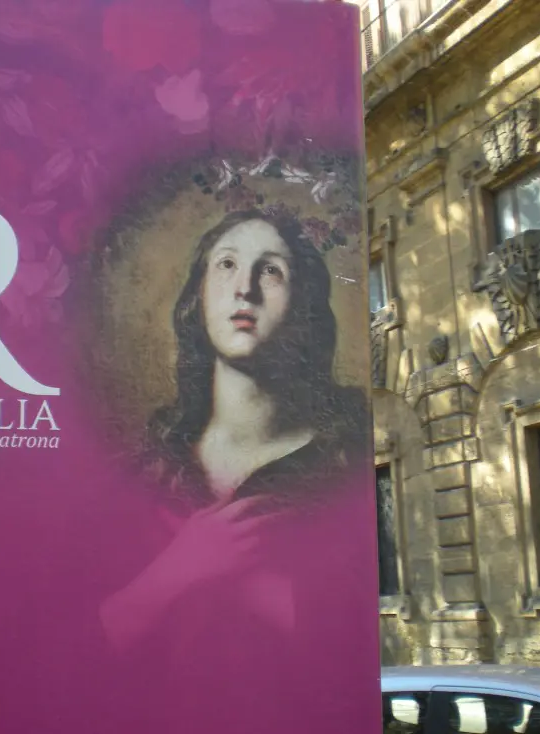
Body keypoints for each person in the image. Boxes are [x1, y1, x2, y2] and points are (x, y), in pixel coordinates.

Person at [88, 208, 373, 734]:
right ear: (197, 299)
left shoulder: (348, 460)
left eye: (271, 271)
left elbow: (348, 668)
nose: (245, 289)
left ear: (304, 307)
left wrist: (260, 589)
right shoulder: (143, 472)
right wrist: (174, 573)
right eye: (226, 265)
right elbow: (68, 659)